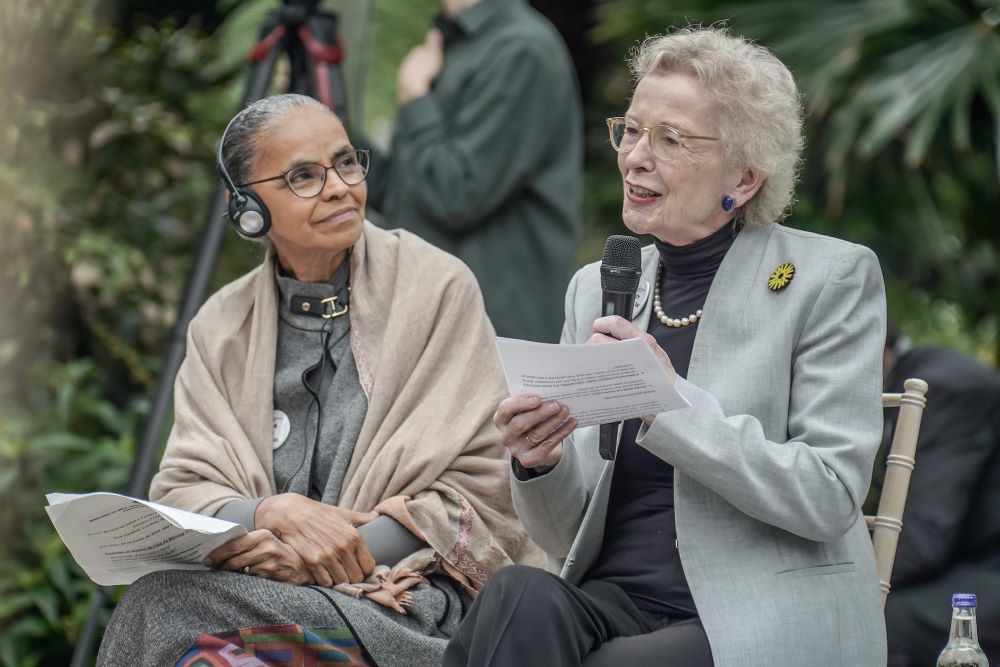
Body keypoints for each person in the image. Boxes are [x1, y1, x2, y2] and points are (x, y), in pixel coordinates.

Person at [443, 26, 888, 666]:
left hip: (753, 608)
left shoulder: (827, 279)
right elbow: (565, 534)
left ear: (744, 174)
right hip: (617, 599)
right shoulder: (595, 288)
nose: (635, 157)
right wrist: (538, 465)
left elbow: (828, 496)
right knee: (516, 596)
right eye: (630, 129)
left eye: (670, 139)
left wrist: (668, 402)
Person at [96, 93, 542, 667]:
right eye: (303, 176)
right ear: (248, 209)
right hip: (252, 592)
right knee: (197, 637)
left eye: (346, 162)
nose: (337, 186)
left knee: (165, 607)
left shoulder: (435, 288)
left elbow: (480, 486)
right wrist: (271, 514)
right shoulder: (222, 326)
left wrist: (325, 557)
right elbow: (184, 490)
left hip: (403, 601)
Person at [364, 0, 583, 342]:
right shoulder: (450, 44)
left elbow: (458, 192)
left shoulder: (521, 49)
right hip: (432, 319)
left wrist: (415, 98)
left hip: (494, 336)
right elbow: (405, 189)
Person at [876, 327, 1000, 665]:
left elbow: (922, 537)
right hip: (970, 564)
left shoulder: (943, 386)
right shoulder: (927, 373)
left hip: (987, 571)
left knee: (867, 622)